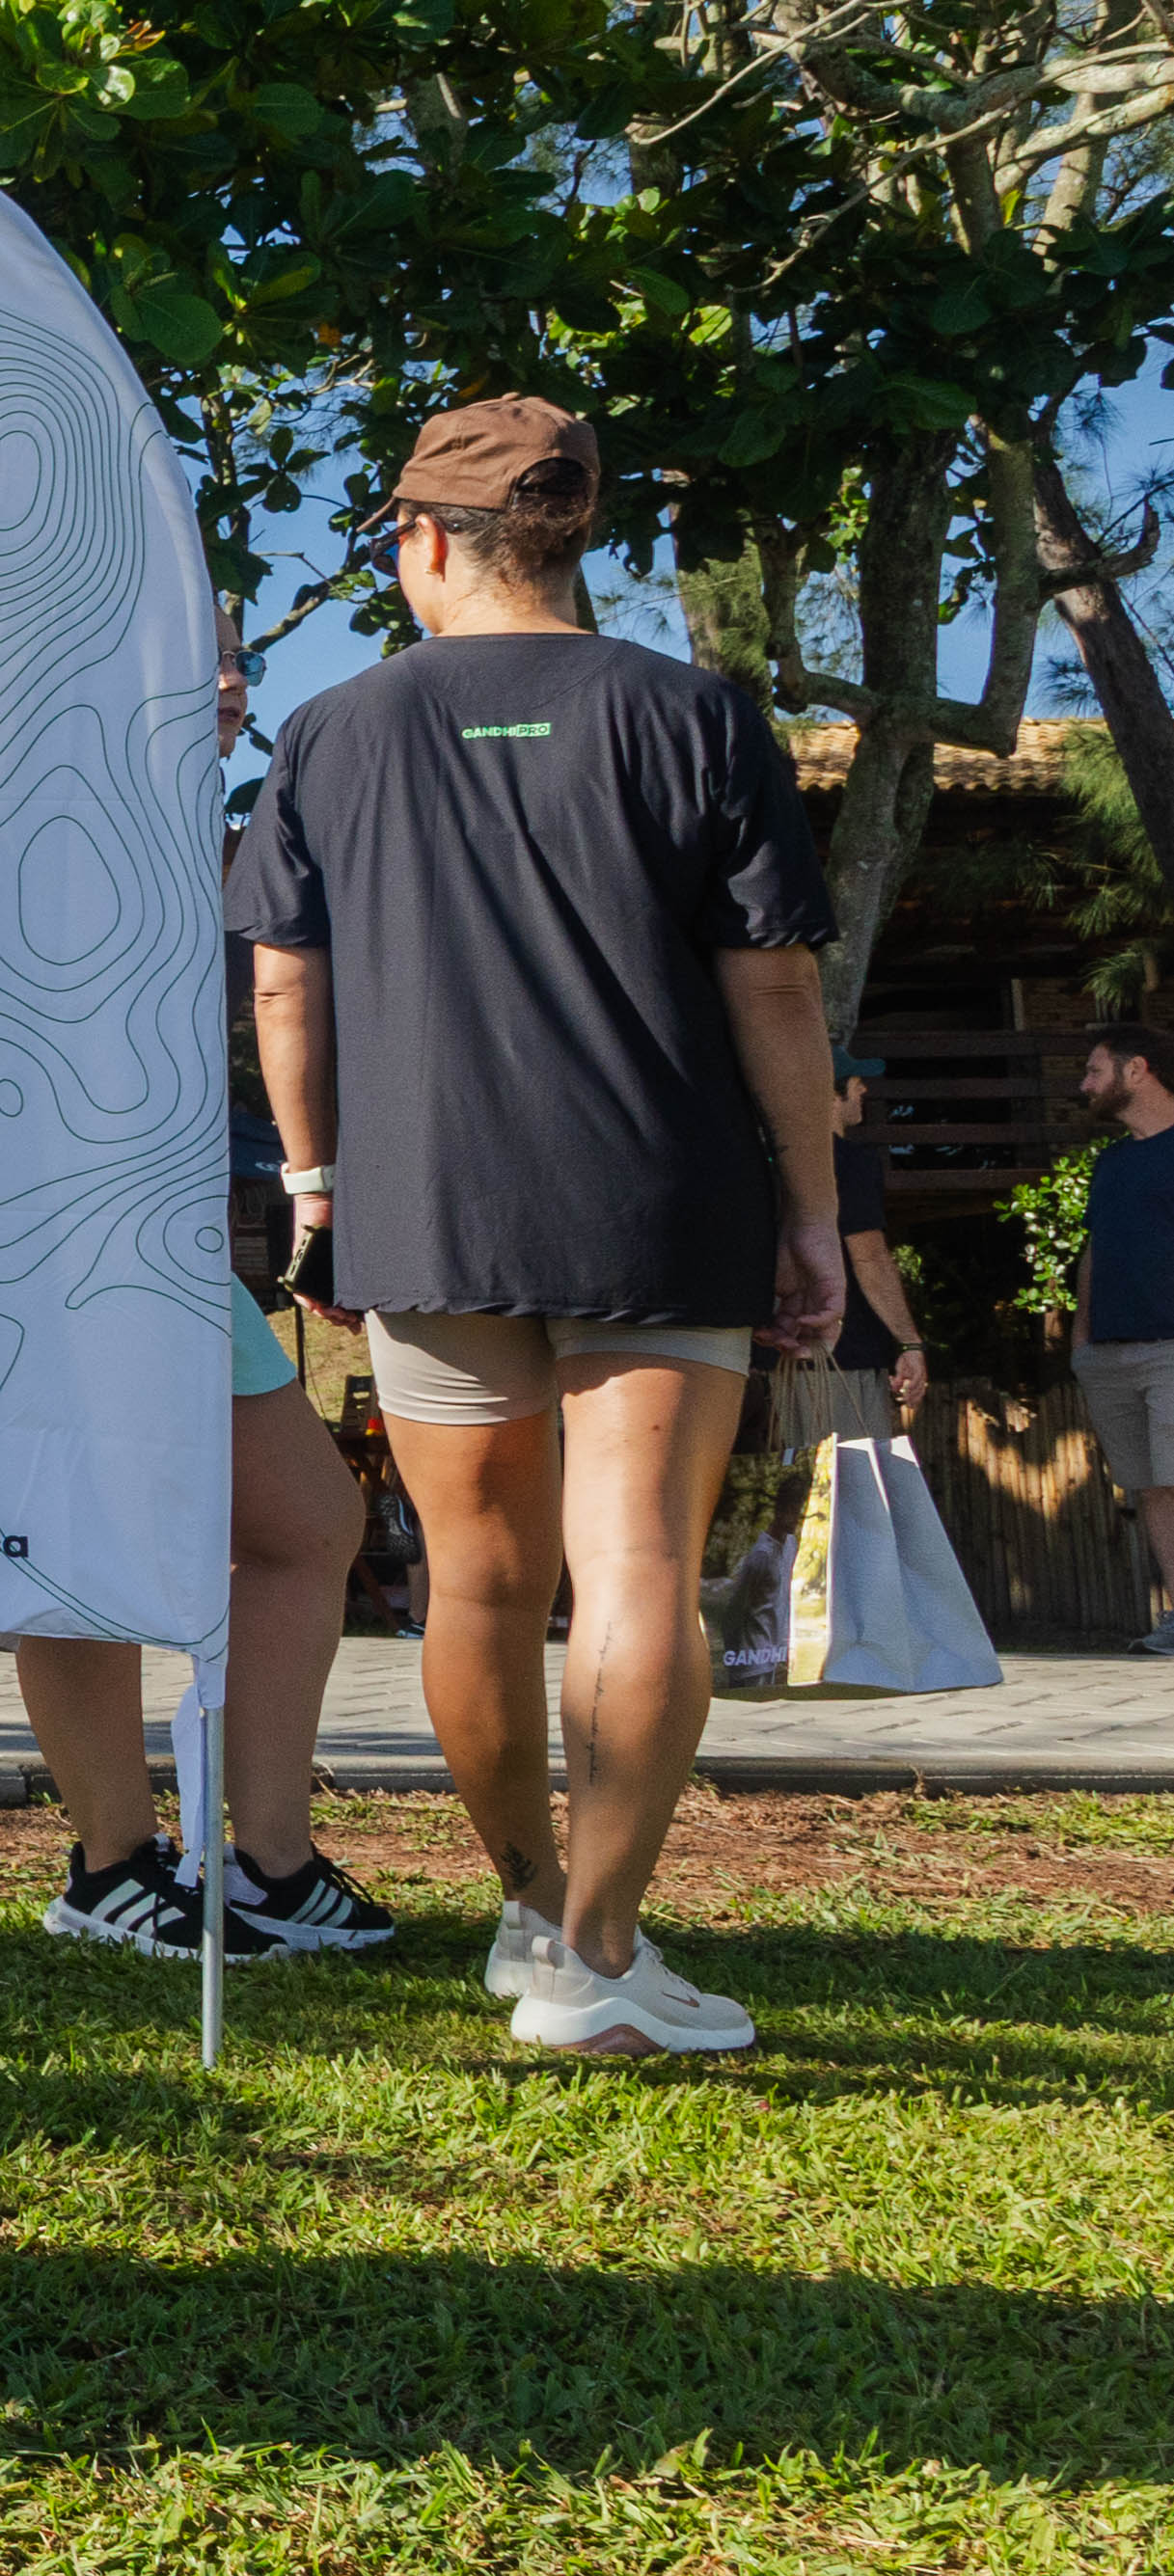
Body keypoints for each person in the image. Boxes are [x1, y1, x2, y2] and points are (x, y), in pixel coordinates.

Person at [236, 394, 842, 2059]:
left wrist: (313, 1178)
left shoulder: (329, 731)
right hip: (657, 1191)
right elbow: (775, 984)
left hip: (426, 1206)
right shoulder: (694, 716)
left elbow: (284, 978)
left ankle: (524, 1913)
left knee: (479, 1589)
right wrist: (812, 1213)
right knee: (634, 1557)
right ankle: (596, 1945)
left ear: (427, 540)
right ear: (568, 536)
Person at [11, 627, 389, 1964]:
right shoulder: (47, 789)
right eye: (194, 652)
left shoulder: (205, 811)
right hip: (53, 1216)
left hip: (164, 1222)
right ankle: (111, 1860)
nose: (228, 680)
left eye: (233, 657)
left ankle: (262, 1861)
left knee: (304, 1521)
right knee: (84, 1541)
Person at [1056, 1020, 1174, 1651]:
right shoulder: (1111, 1161)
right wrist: (1080, 1340)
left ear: (1137, 1069)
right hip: (1108, 1354)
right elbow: (1095, 1251)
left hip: (1170, 1349)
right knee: (1151, 1484)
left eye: (1095, 1069)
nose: (1084, 1084)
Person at [782, 1054, 929, 1455]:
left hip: (770, 1357)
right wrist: (910, 1343)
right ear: (828, 1094)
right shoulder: (847, 1161)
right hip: (840, 1361)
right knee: (850, 1495)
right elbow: (869, 1259)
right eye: (854, 1081)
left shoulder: (770, 1158)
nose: (863, 1089)